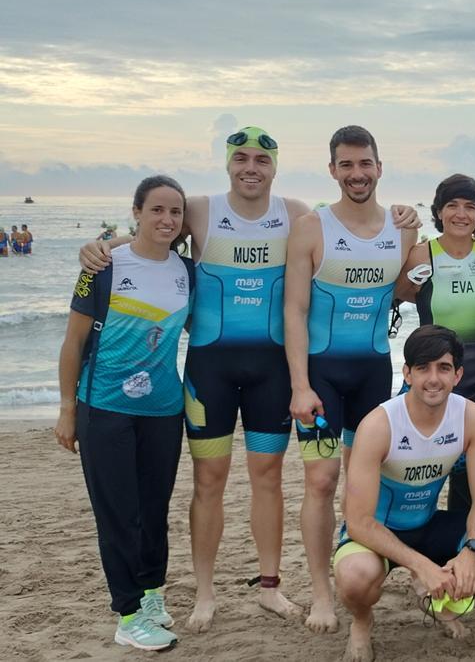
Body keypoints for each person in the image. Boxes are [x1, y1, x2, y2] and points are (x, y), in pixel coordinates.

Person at [75, 127, 422, 632]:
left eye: (262, 159)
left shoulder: (296, 212)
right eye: (241, 158)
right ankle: (205, 594)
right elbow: (156, 231)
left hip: (272, 373)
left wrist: (404, 217)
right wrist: (101, 246)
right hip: (208, 370)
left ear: (275, 167)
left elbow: (351, 232)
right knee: (209, 480)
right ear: (229, 165)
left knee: (268, 478)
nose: (251, 167)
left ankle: (270, 588)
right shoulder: (199, 209)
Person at [285, 125, 416, 633]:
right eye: (346, 165)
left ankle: (368, 561)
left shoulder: (402, 228)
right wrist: (300, 385)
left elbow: (409, 288)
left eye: (365, 164)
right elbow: (294, 312)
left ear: (379, 168)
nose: (357, 174)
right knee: (321, 479)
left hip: (372, 374)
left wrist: (417, 221)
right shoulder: (311, 228)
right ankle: (322, 592)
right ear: (333, 170)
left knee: (372, 480)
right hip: (321, 374)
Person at [55, 176, 194, 650]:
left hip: (163, 410)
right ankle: (128, 612)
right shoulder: (104, 267)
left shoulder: (188, 272)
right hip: (105, 407)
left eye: (175, 212)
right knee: (118, 513)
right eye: (156, 210)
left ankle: (153, 593)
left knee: (154, 510)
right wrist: (67, 408)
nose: (166, 219)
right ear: (137, 211)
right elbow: (73, 343)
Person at [333, 325, 475, 660]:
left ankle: (438, 598)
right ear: (406, 373)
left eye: (443, 368)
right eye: (422, 368)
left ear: (458, 374)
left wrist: (469, 551)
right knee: (354, 577)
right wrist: (420, 566)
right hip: (377, 531)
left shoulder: (470, 417)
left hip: (427, 523)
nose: (433, 379)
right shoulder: (379, 425)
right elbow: (358, 520)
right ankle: (362, 622)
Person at [396, 173, 475, 516]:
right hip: (432, 370)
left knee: (472, 466)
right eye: (452, 206)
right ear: (439, 212)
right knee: (416, 462)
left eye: (470, 207)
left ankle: (463, 538)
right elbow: (397, 293)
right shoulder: (421, 254)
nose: (461, 214)